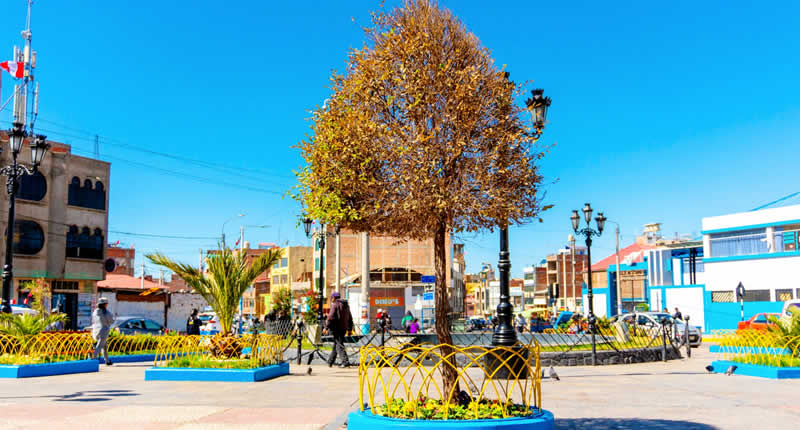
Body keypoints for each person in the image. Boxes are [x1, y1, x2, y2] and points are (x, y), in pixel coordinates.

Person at [326, 291, 354, 368]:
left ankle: (345, 362)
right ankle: (330, 361)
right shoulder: (346, 305)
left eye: (331, 298)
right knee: (337, 344)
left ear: (334, 298)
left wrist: (326, 327)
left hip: (336, 328)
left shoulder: (335, 305)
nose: (331, 299)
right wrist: (349, 329)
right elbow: (350, 318)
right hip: (344, 328)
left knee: (339, 345)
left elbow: (330, 317)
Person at [92, 297, 115, 365]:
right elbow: (111, 321)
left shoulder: (95, 312)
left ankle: (107, 361)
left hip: (95, 331)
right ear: (105, 304)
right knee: (99, 346)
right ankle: (93, 359)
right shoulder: (106, 312)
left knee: (104, 346)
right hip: (103, 331)